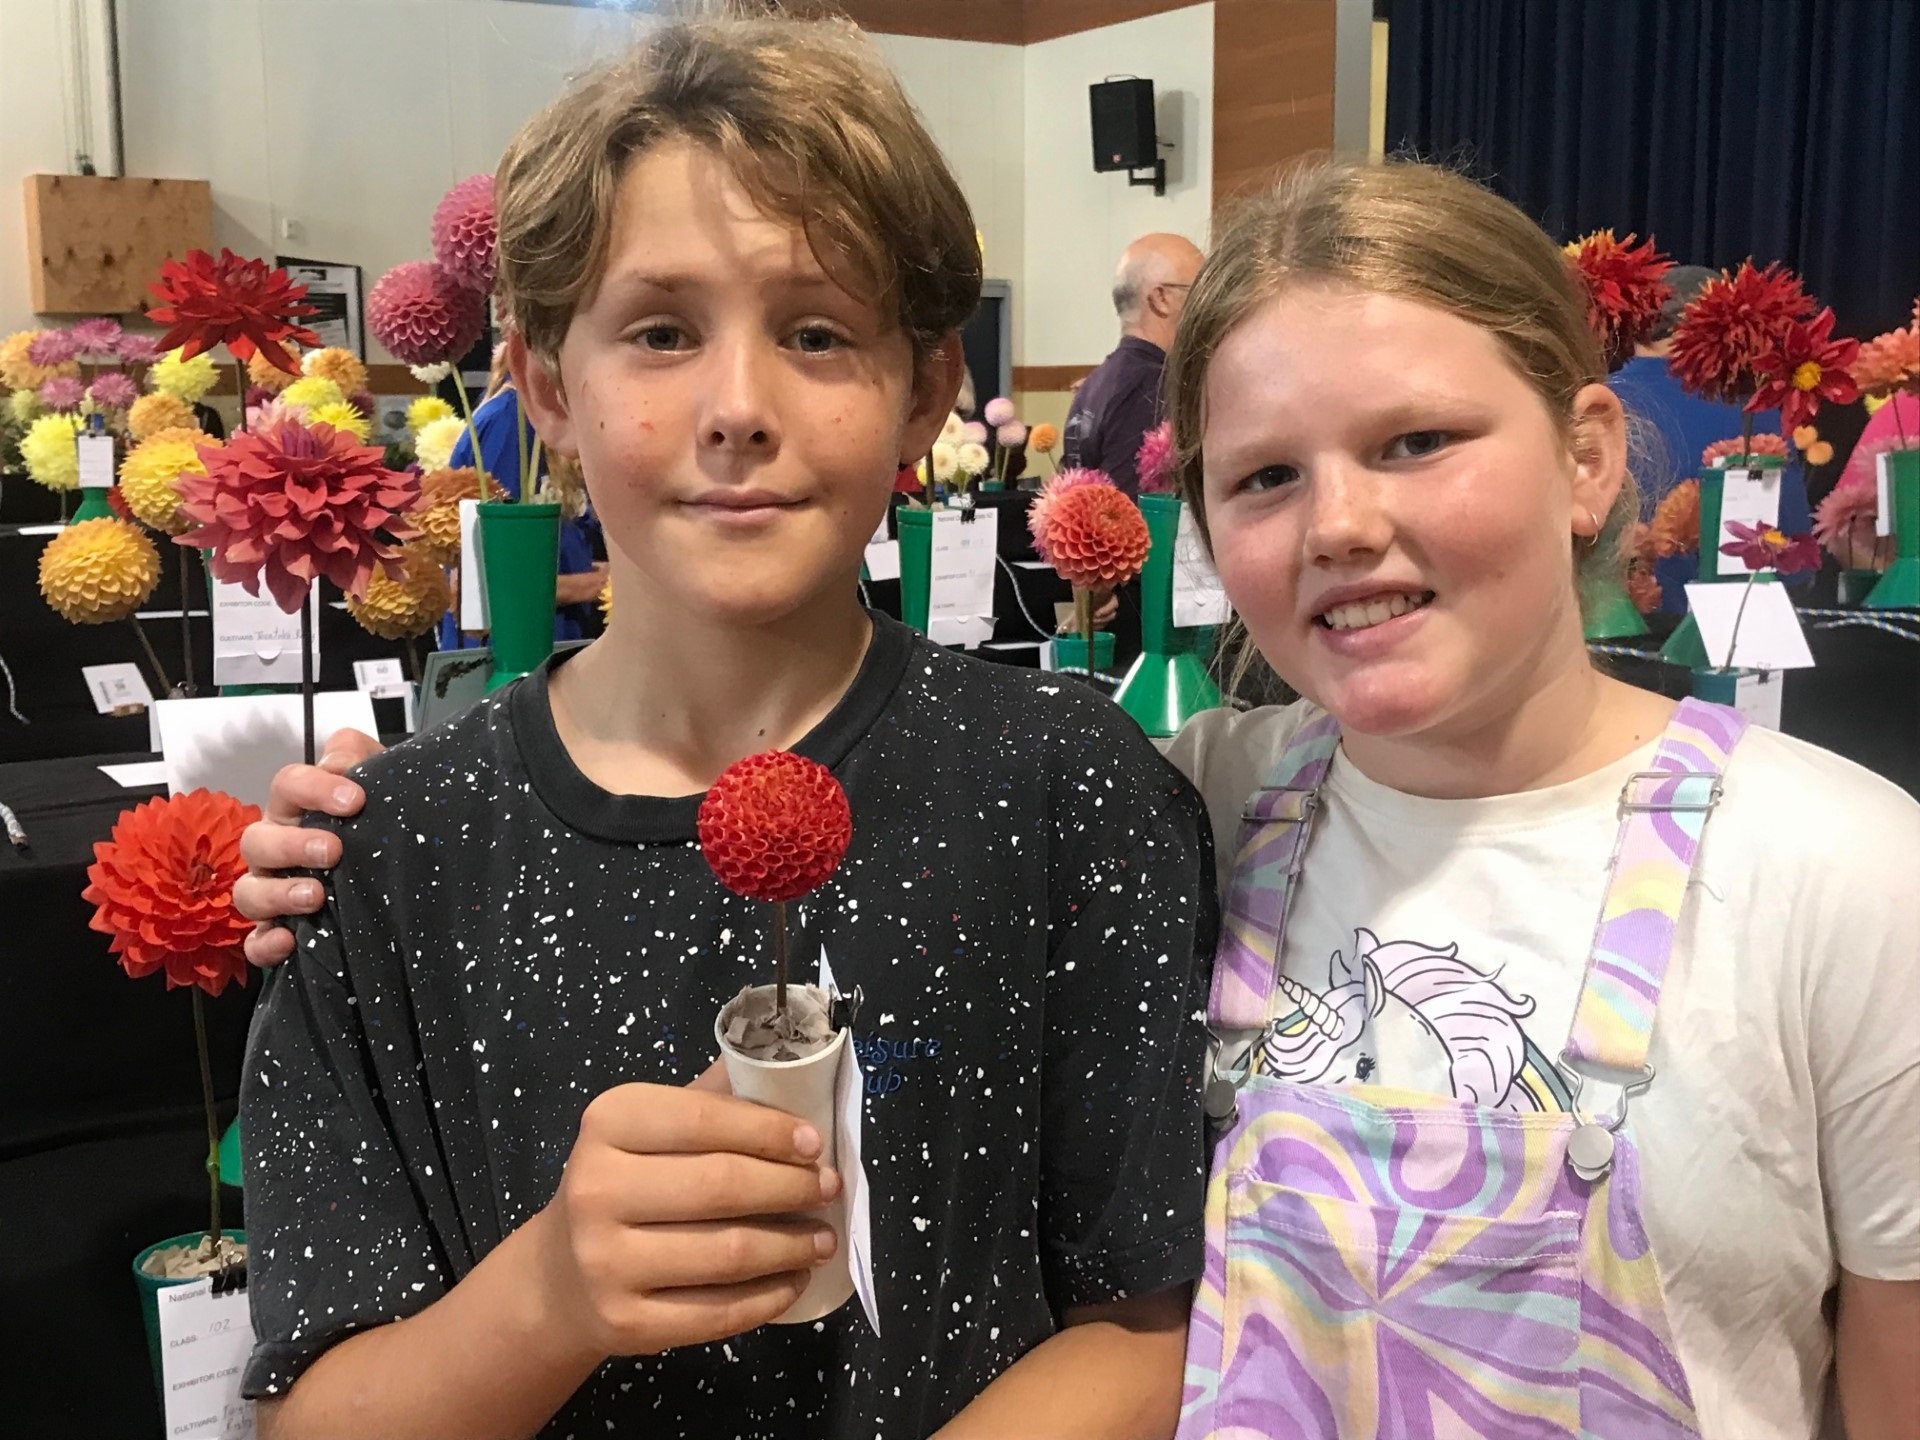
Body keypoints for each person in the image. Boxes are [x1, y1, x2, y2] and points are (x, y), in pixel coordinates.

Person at [230, 13, 1214, 1440]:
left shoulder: (1069, 789)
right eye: (661, 332)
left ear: (923, 387)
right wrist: (553, 1293)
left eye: (816, 334)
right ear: (551, 384)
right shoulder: (388, 854)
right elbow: (313, 1410)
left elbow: (1148, 1329)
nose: (738, 408)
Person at [1161, 160, 1917, 1439]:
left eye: (1416, 441)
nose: (1337, 525)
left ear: (1585, 458)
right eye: (1264, 477)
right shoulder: (1191, 807)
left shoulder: (1843, 871)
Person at [1609, 264, 1811, 613]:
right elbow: (1794, 564)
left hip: (1610, 635)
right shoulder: (1758, 412)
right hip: (1734, 633)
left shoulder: (1592, 404)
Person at [439, 348, 608, 647]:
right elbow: (481, 585)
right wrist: (593, 585)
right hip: (514, 659)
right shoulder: (507, 426)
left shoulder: (546, 427)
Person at [1062, 232, 1203, 497]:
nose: (1208, 305)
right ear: (1161, 298)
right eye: (1199, 291)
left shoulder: (1095, 384)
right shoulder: (1150, 388)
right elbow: (1136, 520)